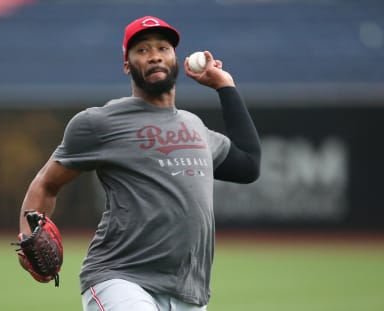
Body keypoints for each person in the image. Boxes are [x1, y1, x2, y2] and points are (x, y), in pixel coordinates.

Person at [18, 16, 261, 311]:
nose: (155, 55)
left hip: (189, 292)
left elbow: (248, 165)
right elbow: (47, 182)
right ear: (127, 65)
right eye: (142, 50)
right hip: (120, 278)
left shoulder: (195, 127)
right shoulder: (99, 123)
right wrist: (28, 236)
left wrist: (226, 87)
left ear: (175, 58)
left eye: (163, 48)